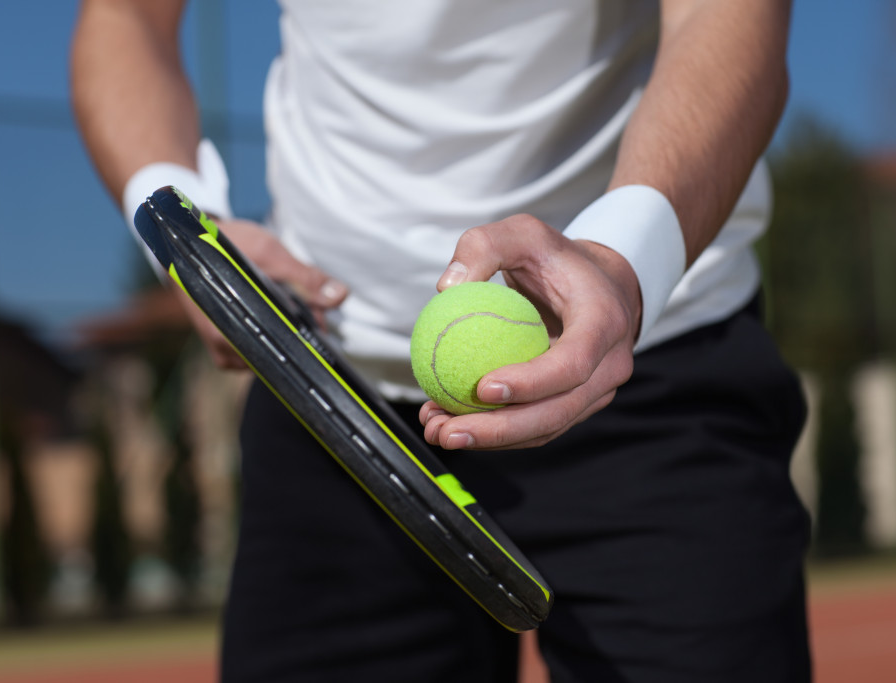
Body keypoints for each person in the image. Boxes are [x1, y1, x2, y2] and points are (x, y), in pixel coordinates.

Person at [71, 0, 811, 680]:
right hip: (333, 400)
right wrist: (186, 234)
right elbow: (127, 16)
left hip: (653, 377)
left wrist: (623, 261)